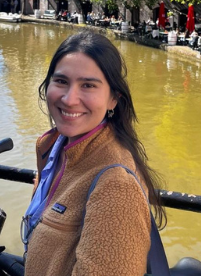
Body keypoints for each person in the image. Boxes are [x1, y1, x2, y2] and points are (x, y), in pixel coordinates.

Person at [22, 32, 166, 276]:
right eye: (61, 81)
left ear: (113, 100)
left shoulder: (116, 185)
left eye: (88, 85)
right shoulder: (50, 146)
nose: (69, 99)